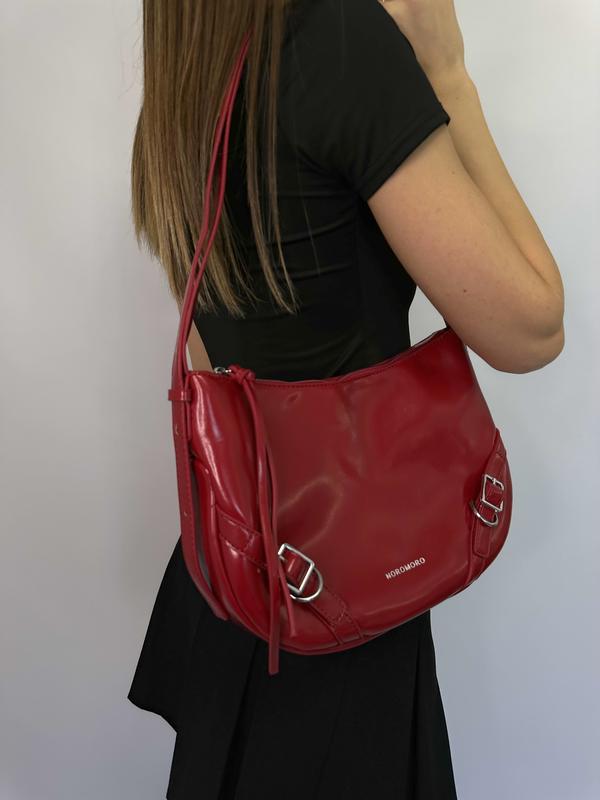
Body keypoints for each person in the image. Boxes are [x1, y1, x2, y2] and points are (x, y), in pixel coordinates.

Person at [127, 1, 565, 798]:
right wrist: (448, 74)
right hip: (341, 600)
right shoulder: (336, 40)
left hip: (242, 570)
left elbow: (211, 345)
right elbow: (532, 329)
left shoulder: (195, 58)